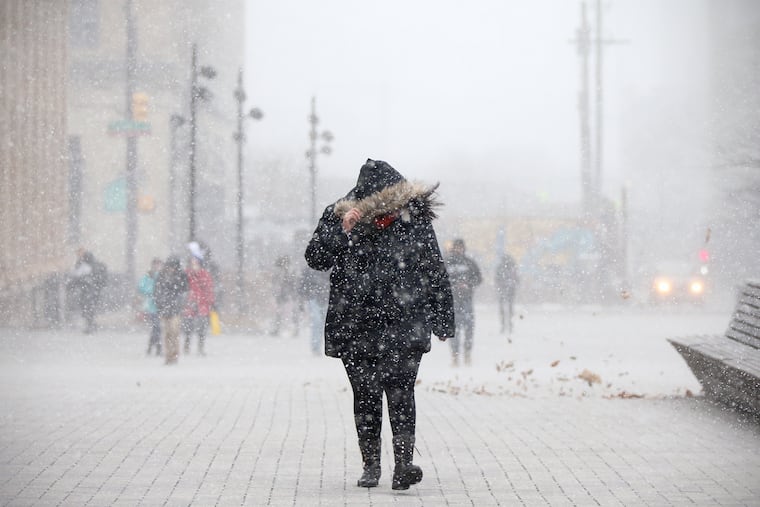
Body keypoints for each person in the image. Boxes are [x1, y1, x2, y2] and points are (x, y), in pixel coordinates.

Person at [305, 158, 455, 491]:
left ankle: (402, 465)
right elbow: (315, 258)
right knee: (367, 395)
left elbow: (433, 267)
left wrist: (443, 317)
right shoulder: (341, 216)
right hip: (358, 322)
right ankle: (371, 466)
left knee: (399, 393)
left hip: (403, 321)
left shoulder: (412, 219)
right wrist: (342, 231)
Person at [445, 238, 482, 366]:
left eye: (461, 247)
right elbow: (440, 280)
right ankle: (455, 355)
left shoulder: (469, 263)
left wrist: (468, 284)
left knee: (469, 327)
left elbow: (478, 278)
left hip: (467, 299)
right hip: (452, 301)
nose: (459, 250)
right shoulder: (447, 263)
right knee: (454, 329)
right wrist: (453, 286)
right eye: (457, 247)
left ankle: (467, 353)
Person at [154, 256, 188, 365]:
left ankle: (174, 354)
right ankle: (168, 355)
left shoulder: (181, 276)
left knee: (174, 332)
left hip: (176, 309)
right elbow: (157, 291)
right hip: (164, 308)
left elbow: (184, 291)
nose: (171, 268)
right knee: (167, 333)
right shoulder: (161, 276)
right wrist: (159, 304)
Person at [182, 253, 215, 355]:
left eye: (196, 264)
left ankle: (200, 346)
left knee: (202, 327)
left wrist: (210, 302)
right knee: (188, 326)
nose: (194, 266)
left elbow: (209, 289)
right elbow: (183, 287)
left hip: (202, 304)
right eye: (193, 264)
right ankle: (187, 345)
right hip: (190, 303)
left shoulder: (205, 275)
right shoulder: (187, 274)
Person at [70, 248, 108, 334]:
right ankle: (91, 324)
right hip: (90, 290)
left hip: (89, 290)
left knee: (88, 307)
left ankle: (90, 325)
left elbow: (77, 276)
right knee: (88, 308)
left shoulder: (86, 265)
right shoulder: (85, 264)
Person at [299, 264, 330, 355]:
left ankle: (321, 346)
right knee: (317, 322)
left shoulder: (329, 267)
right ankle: (316, 347)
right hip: (314, 298)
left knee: (323, 323)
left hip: (325, 298)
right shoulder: (309, 269)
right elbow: (303, 284)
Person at [138, 258, 163, 355]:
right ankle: (158, 347)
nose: (158, 267)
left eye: (159, 265)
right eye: (156, 265)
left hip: (161, 305)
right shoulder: (148, 276)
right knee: (156, 327)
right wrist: (151, 293)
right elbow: (141, 287)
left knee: (156, 328)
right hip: (152, 306)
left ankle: (151, 347)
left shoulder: (163, 276)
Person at [269, 255, 298, 337]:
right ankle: (280, 329)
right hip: (284, 295)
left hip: (286, 295)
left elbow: (292, 284)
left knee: (285, 313)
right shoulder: (282, 272)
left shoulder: (288, 272)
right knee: (283, 313)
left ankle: (284, 329)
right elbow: (276, 284)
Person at [495, 252, 520, 335]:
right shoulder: (512, 267)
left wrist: (500, 285)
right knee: (509, 308)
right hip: (509, 290)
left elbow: (496, 279)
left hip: (504, 290)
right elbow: (517, 279)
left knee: (504, 308)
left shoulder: (501, 267)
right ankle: (509, 324)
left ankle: (505, 325)